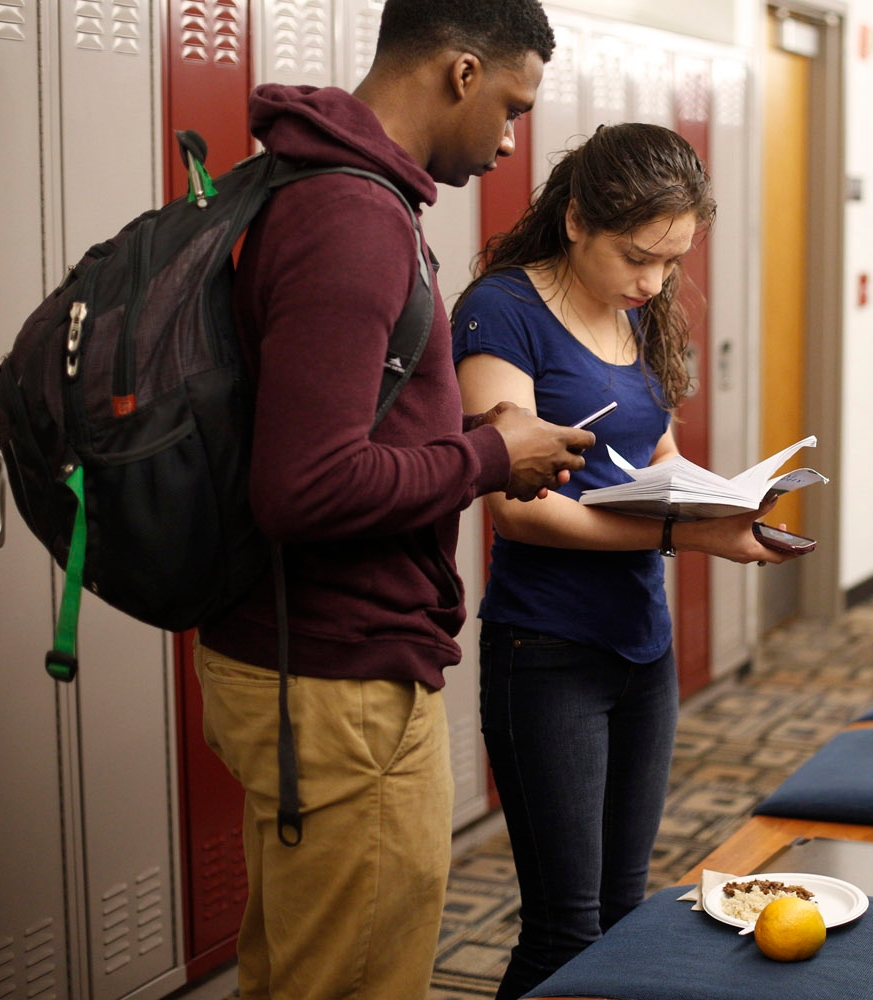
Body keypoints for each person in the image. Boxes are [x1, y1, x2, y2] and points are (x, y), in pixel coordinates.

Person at [193, 3, 595, 998]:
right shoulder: (350, 218)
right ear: (461, 72)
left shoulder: (333, 190)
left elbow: (349, 443)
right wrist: (494, 454)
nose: (510, 142)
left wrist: (476, 444)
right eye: (510, 106)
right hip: (339, 677)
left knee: (298, 970)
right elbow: (305, 485)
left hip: (310, 659)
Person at [452, 122, 796, 999]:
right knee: (565, 930)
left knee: (623, 913)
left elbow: (654, 454)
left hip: (643, 644)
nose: (654, 282)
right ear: (576, 223)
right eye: (640, 257)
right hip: (549, 650)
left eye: (673, 262)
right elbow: (514, 508)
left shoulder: (641, 315)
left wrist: (724, 502)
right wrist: (686, 535)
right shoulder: (502, 312)